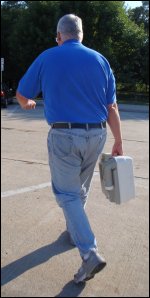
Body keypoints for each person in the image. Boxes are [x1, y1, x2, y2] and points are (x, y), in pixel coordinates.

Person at [16, 14, 123, 284]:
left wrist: (27, 104)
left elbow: (22, 93)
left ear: (59, 35)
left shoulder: (48, 57)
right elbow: (112, 107)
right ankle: (72, 232)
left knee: (66, 194)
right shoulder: (100, 60)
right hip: (97, 134)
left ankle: (89, 253)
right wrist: (118, 140)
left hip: (64, 135)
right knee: (80, 190)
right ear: (81, 34)